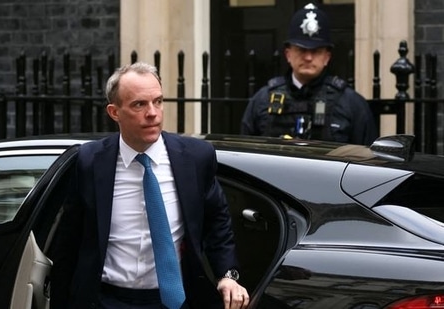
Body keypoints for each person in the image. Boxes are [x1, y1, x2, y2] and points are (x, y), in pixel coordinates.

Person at [50, 61, 249, 309]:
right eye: (139, 104)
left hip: (174, 300)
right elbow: (69, 239)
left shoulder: (196, 158)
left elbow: (217, 222)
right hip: (105, 300)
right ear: (114, 112)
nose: (153, 113)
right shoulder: (90, 161)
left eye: (158, 101)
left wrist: (228, 276)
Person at [240, 3, 378, 146]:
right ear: (288, 54)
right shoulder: (262, 100)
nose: (308, 58)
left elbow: (368, 160)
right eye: (301, 50)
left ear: (327, 57)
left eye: (316, 51)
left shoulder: (351, 104)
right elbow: (245, 153)